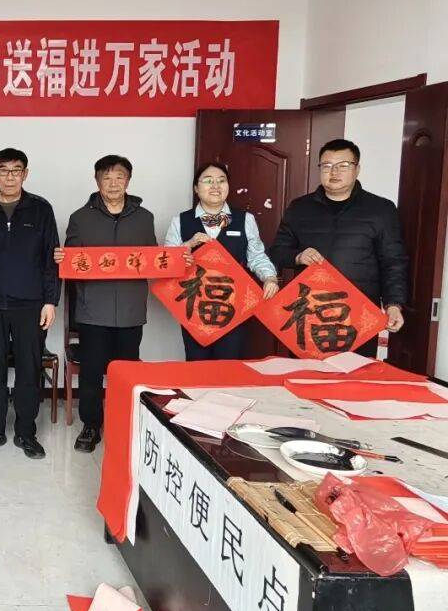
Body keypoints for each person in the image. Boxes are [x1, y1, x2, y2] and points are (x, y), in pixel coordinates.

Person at [55, 155, 156, 454]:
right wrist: (63, 258)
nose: (113, 184)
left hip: (130, 309)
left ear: (128, 180)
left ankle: (124, 422)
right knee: (91, 371)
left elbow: (152, 259)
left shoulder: (144, 217)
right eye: (107, 178)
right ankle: (90, 426)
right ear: (97, 181)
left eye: (119, 177)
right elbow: (73, 261)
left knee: (126, 371)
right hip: (92, 309)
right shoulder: (80, 217)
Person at [270, 139, 407, 356]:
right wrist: (298, 256)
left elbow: (393, 261)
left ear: (357, 169)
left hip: (357, 315)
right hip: (309, 314)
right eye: (327, 166)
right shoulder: (299, 208)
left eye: (343, 165)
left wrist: (394, 304)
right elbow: (277, 252)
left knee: (353, 375)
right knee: (305, 374)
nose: (334, 172)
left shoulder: (380, 209)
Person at [0, 148, 59, 460]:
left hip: (30, 304)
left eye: (16, 170)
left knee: (28, 370)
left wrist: (50, 301)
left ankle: (26, 432)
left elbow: (50, 259)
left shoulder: (41, 209)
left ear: (25, 174)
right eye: (3, 170)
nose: (9, 176)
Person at [163, 162, 279, 360]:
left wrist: (270, 277)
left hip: (234, 306)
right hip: (194, 308)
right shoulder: (180, 221)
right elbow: (167, 263)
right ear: (196, 188)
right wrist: (188, 244)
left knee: (229, 365)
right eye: (208, 181)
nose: (215, 186)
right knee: (197, 366)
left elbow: (256, 256)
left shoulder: (244, 219)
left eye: (221, 180)